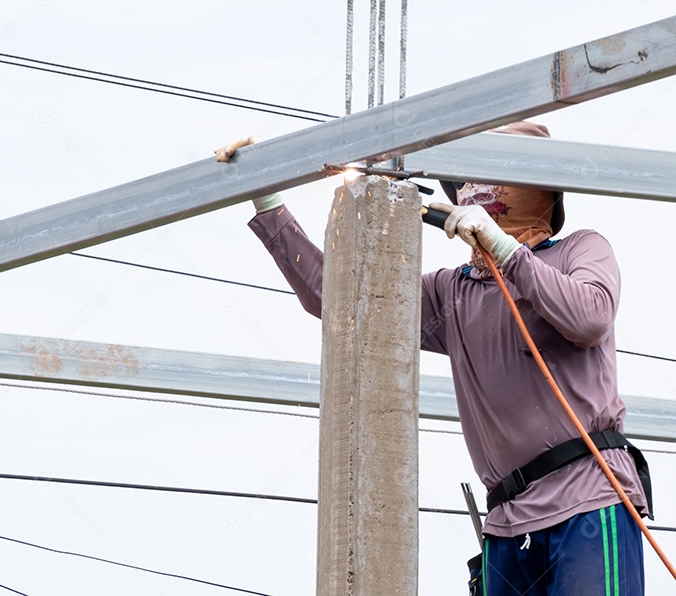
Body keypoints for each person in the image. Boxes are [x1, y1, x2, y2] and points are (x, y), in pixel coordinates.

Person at [219, 121, 649, 596]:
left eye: (488, 175)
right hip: (509, 521)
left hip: (588, 498)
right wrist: (268, 200)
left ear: (538, 187)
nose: (471, 189)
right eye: (465, 179)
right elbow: (342, 297)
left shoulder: (579, 250)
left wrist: (506, 251)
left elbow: (590, 316)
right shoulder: (453, 293)